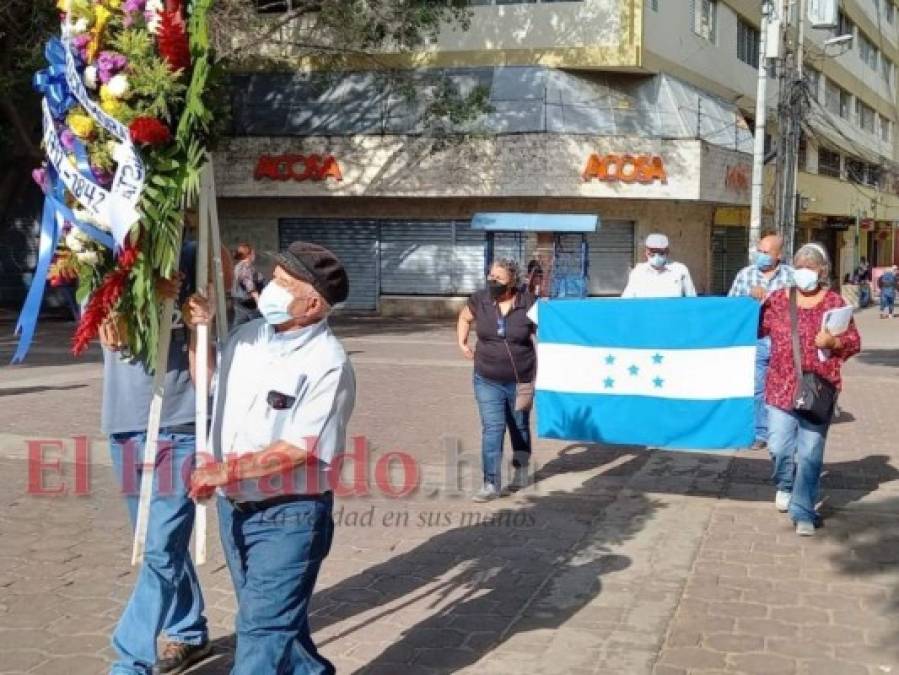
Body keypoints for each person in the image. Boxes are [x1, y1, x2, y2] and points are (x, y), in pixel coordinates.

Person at [185, 241, 355, 675]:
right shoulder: (249, 336)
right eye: (274, 277)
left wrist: (224, 470)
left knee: (260, 630)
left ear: (312, 301)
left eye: (283, 282)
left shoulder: (328, 363)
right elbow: (204, 379)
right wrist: (198, 331)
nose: (270, 288)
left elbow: (298, 449)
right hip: (234, 509)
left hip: (289, 517)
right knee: (279, 625)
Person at [100, 240, 232, 675]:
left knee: (159, 545)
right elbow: (98, 321)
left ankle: (128, 659)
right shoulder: (99, 254)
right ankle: (189, 631)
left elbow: (225, 278)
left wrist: (202, 310)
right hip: (124, 420)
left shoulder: (191, 252)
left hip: (179, 422)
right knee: (164, 544)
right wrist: (138, 295)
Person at [760, 243, 860, 536]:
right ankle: (786, 484)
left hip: (819, 388)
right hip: (780, 386)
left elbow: (854, 342)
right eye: (800, 265)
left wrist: (833, 343)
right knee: (778, 446)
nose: (805, 271)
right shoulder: (778, 299)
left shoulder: (834, 304)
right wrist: (750, 303)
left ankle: (803, 510)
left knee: (811, 452)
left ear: (822, 271)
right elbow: (750, 327)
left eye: (811, 266)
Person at [457, 259, 536, 502]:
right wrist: (462, 343)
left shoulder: (529, 303)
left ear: (513, 280)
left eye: (499, 279)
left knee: (519, 426)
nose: (493, 282)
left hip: (520, 379)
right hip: (486, 377)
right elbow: (464, 318)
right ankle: (490, 483)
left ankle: (521, 470)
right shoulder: (480, 299)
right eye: (490, 276)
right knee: (493, 428)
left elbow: (551, 330)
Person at [728, 230, 795, 451]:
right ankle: (759, 432)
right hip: (755, 339)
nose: (761, 255)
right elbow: (731, 308)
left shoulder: (790, 276)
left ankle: (783, 431)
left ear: (778, 255)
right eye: (759, 251)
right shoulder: (745, 275)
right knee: (757, 389)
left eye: (766, 252)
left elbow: (800, 308)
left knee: (782, 387)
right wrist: (749, 296)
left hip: (782, 341)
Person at [621, 233, 697, 298]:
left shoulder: (680, 270)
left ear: (667, 251)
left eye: (660, 252)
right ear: (646, 252)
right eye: (652, 252)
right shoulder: (638, 272)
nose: (656, 256)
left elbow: (692, 299)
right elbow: (626, 301)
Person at [231, 242, 265, 327]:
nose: (254, 255)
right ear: (248, 255)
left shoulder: (239, 266)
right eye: (253, 253)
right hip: (248, 303)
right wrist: (259, 302)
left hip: (241, 301)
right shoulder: (245, 268)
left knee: (240, 324)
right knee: (258, 324)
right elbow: (250, 287)